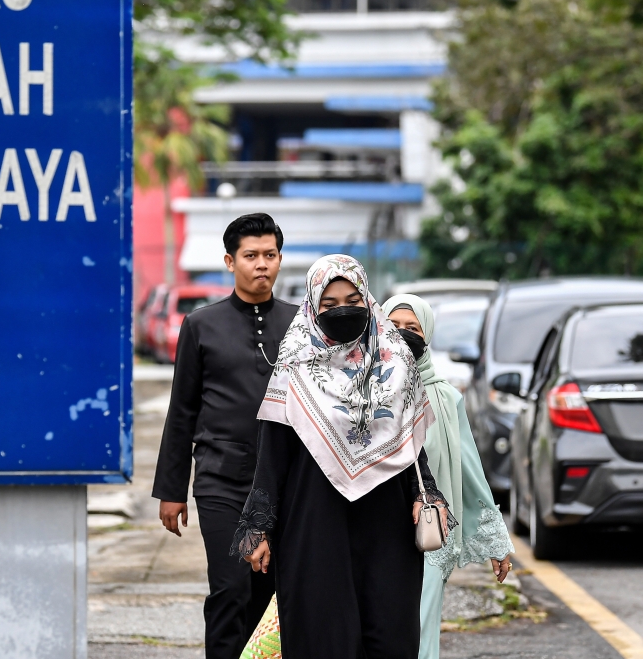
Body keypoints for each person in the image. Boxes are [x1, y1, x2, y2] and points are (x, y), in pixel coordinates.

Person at [233, 255, 454, 659]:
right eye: (330, 304)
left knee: (389, 632)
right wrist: (259, 526)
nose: (343, 310)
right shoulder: (294, 365)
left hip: (387, 522)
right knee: (322, 632)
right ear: (313, 308)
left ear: (368, 300)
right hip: (314, 520)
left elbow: (410, 444)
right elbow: (272, 454)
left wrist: (428, 495)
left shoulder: (397, 362)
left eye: (352, 299)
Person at [152, 213, 299, 659]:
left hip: (286, 483)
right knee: (230, 589)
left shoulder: (302, 325)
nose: (262, 265)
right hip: (221, 481)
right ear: (229, 261)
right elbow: (182, 410)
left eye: (270, 255)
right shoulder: (201, 325)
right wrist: (171, 490)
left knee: (271, 594)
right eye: (251, 256)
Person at [382, 294, 515, 659]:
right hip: (375, 533)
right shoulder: (362, 389)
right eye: (393, 326)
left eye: (413, 328)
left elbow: (469, 468)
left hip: (428, 534)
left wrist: (495, 540)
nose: (402, 334)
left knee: (419, 632)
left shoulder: (445, 398)